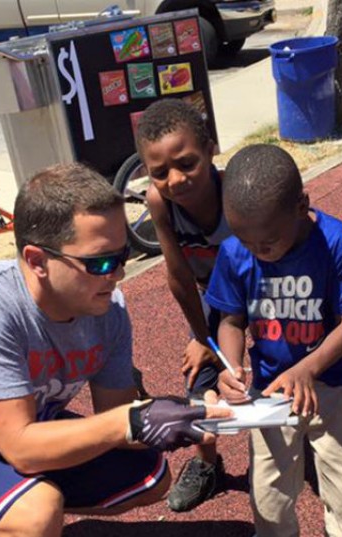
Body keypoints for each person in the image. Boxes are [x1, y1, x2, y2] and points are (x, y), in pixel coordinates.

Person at [0, 163, 230, 537]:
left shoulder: (109, 309)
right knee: (37, 512)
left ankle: (11, 505)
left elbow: (117, 417)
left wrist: (178, 415)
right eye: (101, 262)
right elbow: (24, 448)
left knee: (150, 474)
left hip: (16, 439)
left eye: (122, 256)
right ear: (37, 261)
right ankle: (6, 513)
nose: (118, 273)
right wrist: (133, 420)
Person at [206, 144, 342, 537]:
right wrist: (231, 369)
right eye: (245, 240)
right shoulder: (236, 253)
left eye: (267, 243)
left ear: (301, 206)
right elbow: (231, 322)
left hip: (334, 385)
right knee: (268, 494)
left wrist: (307, 369)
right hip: (269, 390)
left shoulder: (340, 244)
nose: (258, 252)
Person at [135, 98, 231, 512]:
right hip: (212, 301)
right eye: (160, 173)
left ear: (210, 148)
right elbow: (178, 276)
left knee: (280, 371)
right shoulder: (161, 204)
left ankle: (313, 448)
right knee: (198, 378)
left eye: (187, 163)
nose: (175, 180)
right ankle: (208, 464)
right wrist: (204, 337)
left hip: (262, 298)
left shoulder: (238, 194)